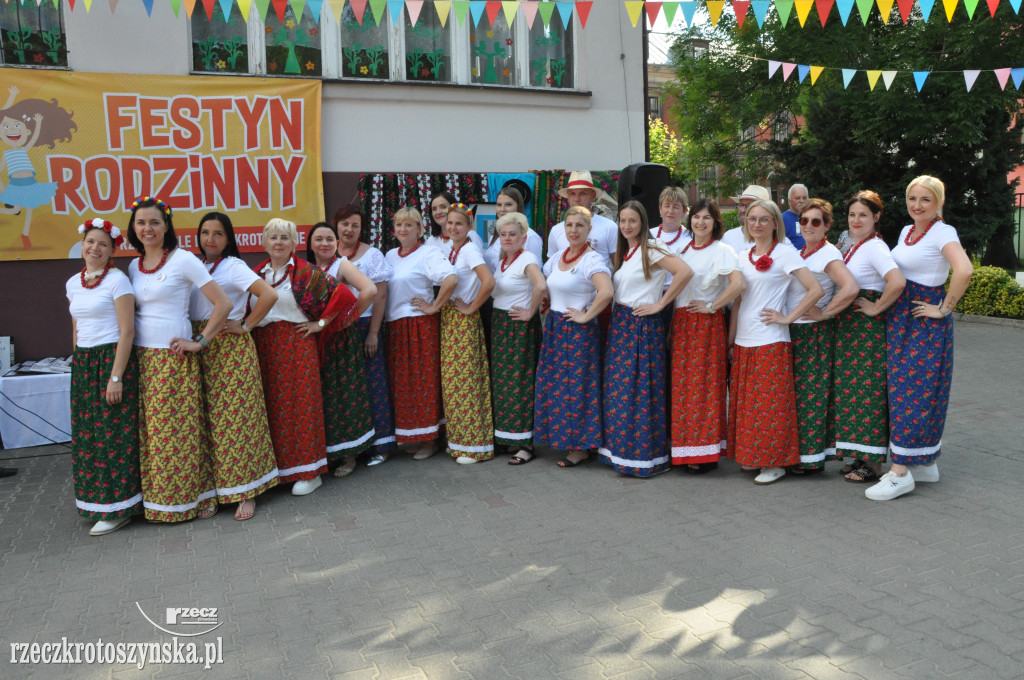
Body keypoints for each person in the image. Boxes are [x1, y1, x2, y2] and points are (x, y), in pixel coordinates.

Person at [866, 175, 973, 501]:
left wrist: (943, 309)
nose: (917, 205)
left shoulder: (943, 231)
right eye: (912, 198)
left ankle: (900, 474)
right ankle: (923, 463)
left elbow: (965, 270)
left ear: (938, 202)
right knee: (907, 391)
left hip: (922, 325)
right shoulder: (908, 231)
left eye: (925, 199)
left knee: (912, 393)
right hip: (902, 320)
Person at [127, 197, 232, 522]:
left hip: (174, 359)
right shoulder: (134, 265)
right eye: (141, 222)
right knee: (154, 435)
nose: (148, 228)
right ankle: (162, 501)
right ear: (134, 227)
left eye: (155, 222)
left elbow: (223, 304)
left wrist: (200, 342)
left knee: (181, 431)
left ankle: (197, 498)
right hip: (144, 359)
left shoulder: (184, 260)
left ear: (167, 226)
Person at [251, 218, 360, 497]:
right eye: (273, 237)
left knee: (301, 408)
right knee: (273, 408)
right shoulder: (256, 273)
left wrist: (320, 324)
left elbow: (343, 295)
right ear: (264, 242)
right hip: (264, 347)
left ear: (294, 244)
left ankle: (310, 471)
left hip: (296, 345)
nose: (278, 242)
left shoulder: (304, 273)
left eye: (284, 238)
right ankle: (282, 470)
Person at [186, 212, 279, 521]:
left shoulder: (233, 266)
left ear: (228, 239)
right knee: (206, 422)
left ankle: (246, 492)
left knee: (237, 419)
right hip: (201, 346)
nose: (210, 239)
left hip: (229, 349)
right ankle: (212, 493)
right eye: (205, 233)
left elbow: (268, 294)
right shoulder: (195, 266)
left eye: (217, 234)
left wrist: (246, 324)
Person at [727, 199, 824, 485]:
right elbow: (738, 300)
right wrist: (731, 340)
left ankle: (775, 461)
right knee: (748, 404)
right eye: (752, 219)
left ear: (774, 223)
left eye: (763, 219)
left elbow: (815, 289)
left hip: (771, 339)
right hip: (744, 340)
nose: (757, 224)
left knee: (771, 403)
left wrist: (787, 317)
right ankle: (753, 456)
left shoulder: (785, 253)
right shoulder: (743, 255)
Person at [599, 201, 691, 477]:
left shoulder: (652, 249)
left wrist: (661, 304)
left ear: (642, 224)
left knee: (640, 390)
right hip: (622, 323)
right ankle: (623, 452)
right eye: (623, 221)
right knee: (622, 391)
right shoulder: (628, 253)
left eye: (633, 221)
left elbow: (684, 272)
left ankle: (645, 457)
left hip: (641, 324)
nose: (627, 226)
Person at [66, 219, 141, 535]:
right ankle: (95, 503)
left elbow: (127, 331)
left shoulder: (117, 281)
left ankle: (120, 507)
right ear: (82, 245)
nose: (94, 248)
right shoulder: (73, 282)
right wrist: (78, 363)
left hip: (111, 360)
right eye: (90, 242)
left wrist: (115, 377)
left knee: (113, 435)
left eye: (102, 244)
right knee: (88, 437)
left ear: (112, 250)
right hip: (85, 363)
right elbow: (76, 327)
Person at [831, 191, 905, 484]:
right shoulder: (854, 246)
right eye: (852, 214)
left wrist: (876, 308)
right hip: (852, 328)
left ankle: (874, 466)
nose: (856, 220)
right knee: (856, 391)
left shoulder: (875, 247)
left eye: (863, 215)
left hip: (866, 331)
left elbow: (896, 281)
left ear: (876, 217)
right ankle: (862, 455)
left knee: (870, 391)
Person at [669, 200, 745, 473]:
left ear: (716, 223)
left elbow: (739, 284)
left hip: (705, 324)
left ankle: (705, 452)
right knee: (683, 389)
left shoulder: (722, 250)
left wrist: (712, 306)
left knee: (704, 388)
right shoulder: (682, 249)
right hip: (682, 323)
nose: (700, 222)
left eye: (707, 218)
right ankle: (685, 448)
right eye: (697, 217)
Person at [783, 199, 858, 475]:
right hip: (796, 329)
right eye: (804, 221)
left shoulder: (827, 253)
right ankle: (802, 453)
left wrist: (826, 313)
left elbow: (850, 287)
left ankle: (810, 459)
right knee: (799, 395)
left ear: (827, 226)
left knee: (810, 395)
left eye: (816, 221)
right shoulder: (803, 251)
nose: (809, 226)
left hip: (812, 332)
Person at [535, 206, 614, 467]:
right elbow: (548, 285)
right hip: (557, 327)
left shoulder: (591, 259)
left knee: (578, 387)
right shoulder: (560, 255)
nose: (573, 230)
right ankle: (565, 438)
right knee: (559, 385)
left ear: (589, 229)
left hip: (577, 330)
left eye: (579, 225)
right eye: (569, 225)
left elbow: (606, 291)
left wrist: (585, 316)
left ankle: (582, 446)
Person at [384, 207, 458, 459]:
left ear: (420, 229)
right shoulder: (391, 255)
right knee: (404, 384)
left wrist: (434, 307)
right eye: (399, 225)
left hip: (418, 325)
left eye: (409, 225)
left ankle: (430, 440)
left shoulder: (429, 253)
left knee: (423, 380)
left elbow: (450, 278)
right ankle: (415, 435)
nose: (403, 229)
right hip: (395, 325)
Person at [305, 222, 377, 478]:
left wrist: (347, 318)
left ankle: (350, 455)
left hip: (339, 339)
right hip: (314, 339)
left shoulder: (341, 265)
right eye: (319, 239)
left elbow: (370, 289)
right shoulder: (306, 269)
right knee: (324, 395)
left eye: (329, 239)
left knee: (345, 393)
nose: (324, 244)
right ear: (310, 243)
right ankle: (330, 452)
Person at [335, 204, 397, 467]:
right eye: (345, 223)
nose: (349, 229)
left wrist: (373, 334)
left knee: (374, 384)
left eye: (355, 225)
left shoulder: (371, 256)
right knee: (346, 389)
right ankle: (350, 446)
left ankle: (380, 445)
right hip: (336, 328)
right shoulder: (327, 250)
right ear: (336, 224)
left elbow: (380, 295)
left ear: (361, 229)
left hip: (363, 325)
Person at [490, 212, 547, 465]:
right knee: (503, 383)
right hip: (501, 326)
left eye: (512, 234)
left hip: (518, 326)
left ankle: (526, 443)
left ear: (523, 236)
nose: (507, 238)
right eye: (503, 234)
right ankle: (506, 437)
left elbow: (541, 286)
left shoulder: (527, 258)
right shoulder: (503, 260)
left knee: (520, 382)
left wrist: (530, 312)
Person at [440, 203, 495, 463]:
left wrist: (472, 307)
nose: (453, 227)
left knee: (466, 382)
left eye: (458, 223)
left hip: (463, 320)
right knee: (453, 383)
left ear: (469, 226)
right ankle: (460, 441)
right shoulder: (453, 249)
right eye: (449, 223)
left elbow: (488, 281)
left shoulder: (470, 249)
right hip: (451, 319)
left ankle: (474, 445)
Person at [545, 171, 619, 263]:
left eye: (583, 193)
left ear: (593, 196)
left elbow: (618, 267)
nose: (577, 199)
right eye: (572, 193)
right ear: (568, 197)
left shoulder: (609, 227)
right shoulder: (556, 230)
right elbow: (551, 268)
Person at [483, 186, 544, 271]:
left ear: (518, 206)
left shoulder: (530, 236)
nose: (502, 209)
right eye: (499, 205)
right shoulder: (495, 236)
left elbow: (535, 272)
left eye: (508, 204)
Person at [424, 190, 484, 255]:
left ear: (453, 209)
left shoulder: (470, 235)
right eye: (434, 209)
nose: (438, 212)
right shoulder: (431, 240)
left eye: (443, 207)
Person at [721, 185, 772, 254]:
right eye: (741, 205)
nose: (742, 210)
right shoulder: (727, 237)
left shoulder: (778, 242)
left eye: (749, 206)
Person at [781, 184, 809, 249]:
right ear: (789, 201)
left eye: (804, 198)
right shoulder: (782, 219)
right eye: (797, 198)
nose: (801, 201)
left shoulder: (812, 218)